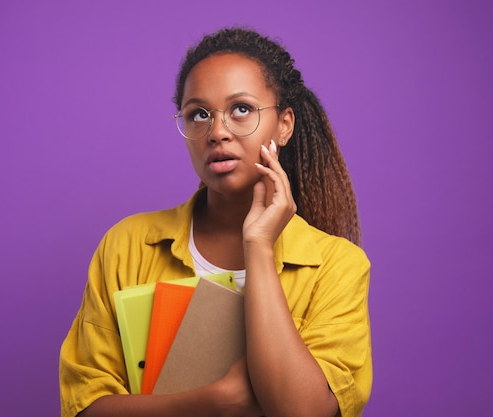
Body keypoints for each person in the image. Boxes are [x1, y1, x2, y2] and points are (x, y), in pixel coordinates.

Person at [60, 27, 372, 417]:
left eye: (242, 109)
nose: (217, 131)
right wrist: (213, 402)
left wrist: (257, 246)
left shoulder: (338, 266)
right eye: (199, 114)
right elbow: (85, 406)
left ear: (285, 124)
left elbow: (305, 412)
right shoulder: (127, 245)